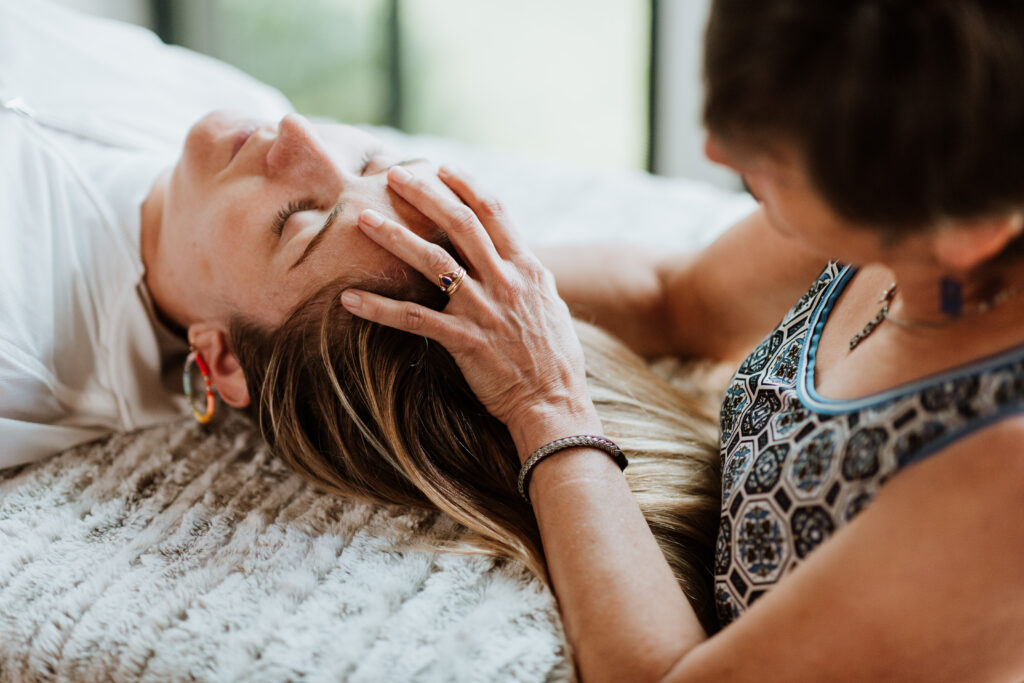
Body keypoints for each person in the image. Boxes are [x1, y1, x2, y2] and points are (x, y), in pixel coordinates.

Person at [340, 1, 1024, 680]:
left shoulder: (1002, 471)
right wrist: (442, 278)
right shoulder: (906, 196)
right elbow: (675, 298)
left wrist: (546, 402)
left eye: (776, 162)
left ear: (961, 230)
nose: (716, 153)